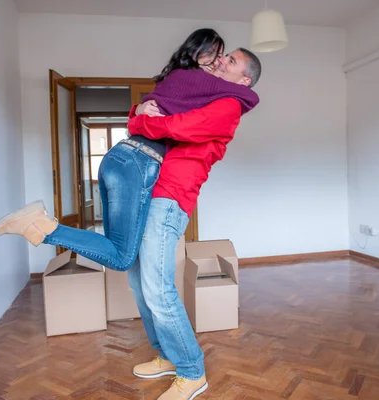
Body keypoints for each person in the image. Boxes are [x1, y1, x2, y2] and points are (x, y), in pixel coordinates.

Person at [0, 29, 259, 275]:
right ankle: (44, 227)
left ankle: (42, 226)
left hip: (121, 159)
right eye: (217, 55)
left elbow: (155, 115)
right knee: (122, 257)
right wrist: (251, 97)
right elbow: (188, 121)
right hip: (140, 162)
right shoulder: (200, 82)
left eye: (225, 58)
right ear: (196, 54)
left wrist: (137, 116)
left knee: (118, 248)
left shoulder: (181, 82)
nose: (220, 61)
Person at [125, 48, 262, 399]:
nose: (221, 61)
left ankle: (192, 372)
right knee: (139, 281)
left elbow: (177, 126)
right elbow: (162, 105)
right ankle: (168, 356)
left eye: (230, 61)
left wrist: (139, 121)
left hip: (171, 196)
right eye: (223, 57)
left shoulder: (229, 105)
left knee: (157, 287)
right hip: (148, 190)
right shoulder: (204, 94)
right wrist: (138, 111)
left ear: (244, 79)